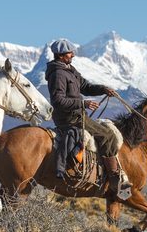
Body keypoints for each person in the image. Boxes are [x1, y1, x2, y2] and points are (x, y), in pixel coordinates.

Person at [45, 39, 122, 193]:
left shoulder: (69, 70)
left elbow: (85, 87)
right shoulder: (58, 74)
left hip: (77, 115)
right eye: (69, 53)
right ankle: (113, 178)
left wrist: (103, 89)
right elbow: (58, 101)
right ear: (61, 55)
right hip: (70, 118)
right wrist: (83, 104)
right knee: (108, 136)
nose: (73, 55)